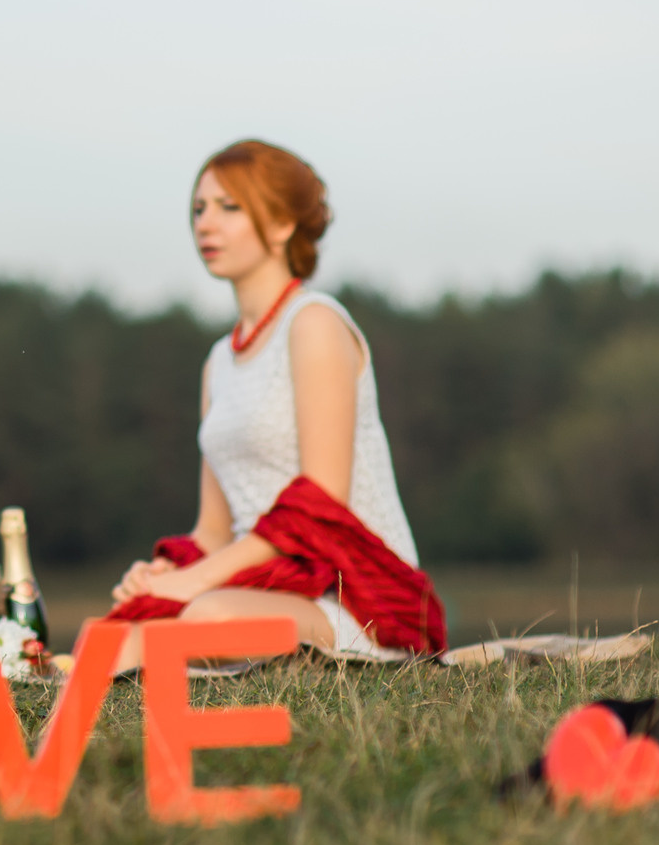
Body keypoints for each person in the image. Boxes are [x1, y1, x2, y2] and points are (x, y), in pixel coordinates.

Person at [106, 140, 447, 666]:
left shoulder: (314, 323)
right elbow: (214, 531)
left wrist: (196, 584)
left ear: (284, 224)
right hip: (254, 586)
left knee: (205, 618)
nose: (205, 224)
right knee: (115, 638)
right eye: (199, 209)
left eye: (229, 208)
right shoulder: (218, 361)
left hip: (353, 590)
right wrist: (164, 573)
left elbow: (320, 502)